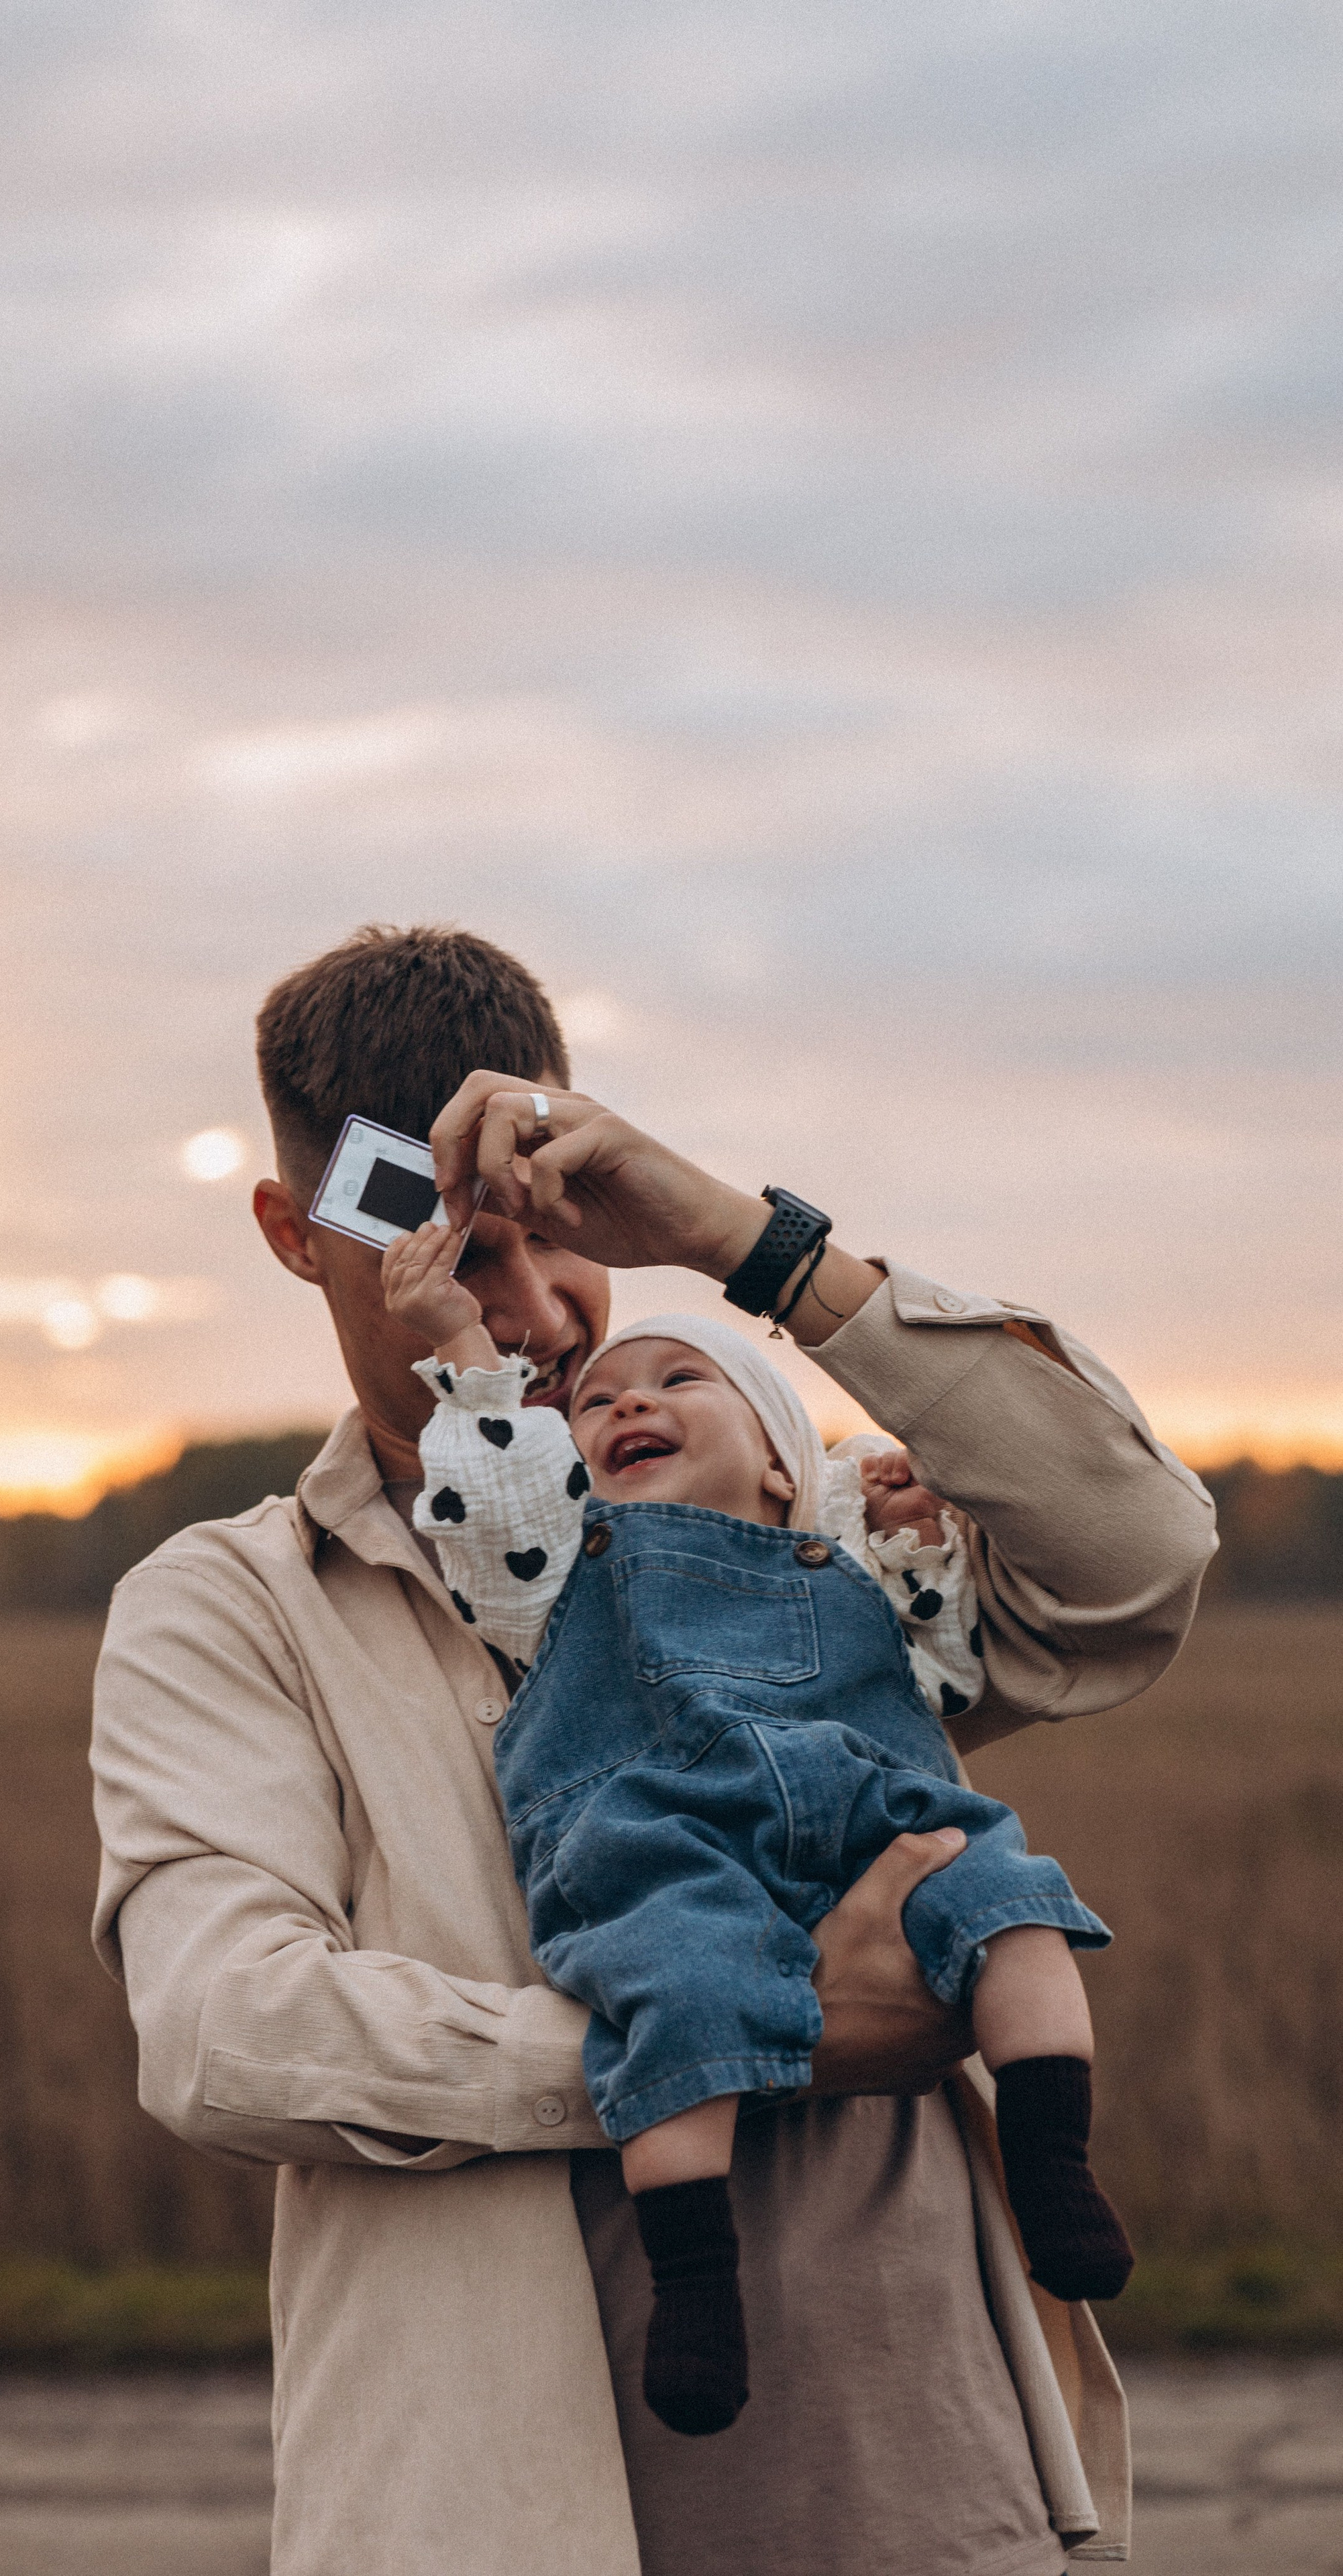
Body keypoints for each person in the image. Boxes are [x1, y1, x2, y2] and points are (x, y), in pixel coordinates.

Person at [91, 923, 1216, 2576]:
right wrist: (745, 2039)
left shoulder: (786, 1536)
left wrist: (746, 1246)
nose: (538, 1314)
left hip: (927, 2450)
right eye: (457, 1257)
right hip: (504, 2503)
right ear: (294, 1230)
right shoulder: (233, 1606)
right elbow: (224, 2033)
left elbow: (1133, 1560)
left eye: (557, 1242)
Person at [379, 1234, 1131, 2436]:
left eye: (683, 1381)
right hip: (661, 1837)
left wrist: (922, 1541)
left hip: (869, 1809)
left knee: (1012, 1901)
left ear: (786, 1467)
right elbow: (504, 1503)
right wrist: (468, 1355)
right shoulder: (558, 1570)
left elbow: (934, 1676)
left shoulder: (843, 1566)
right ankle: (696, 2284)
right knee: (681, 1988)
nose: (629, 1399)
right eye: (600, 1402)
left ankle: (1054, 2166)